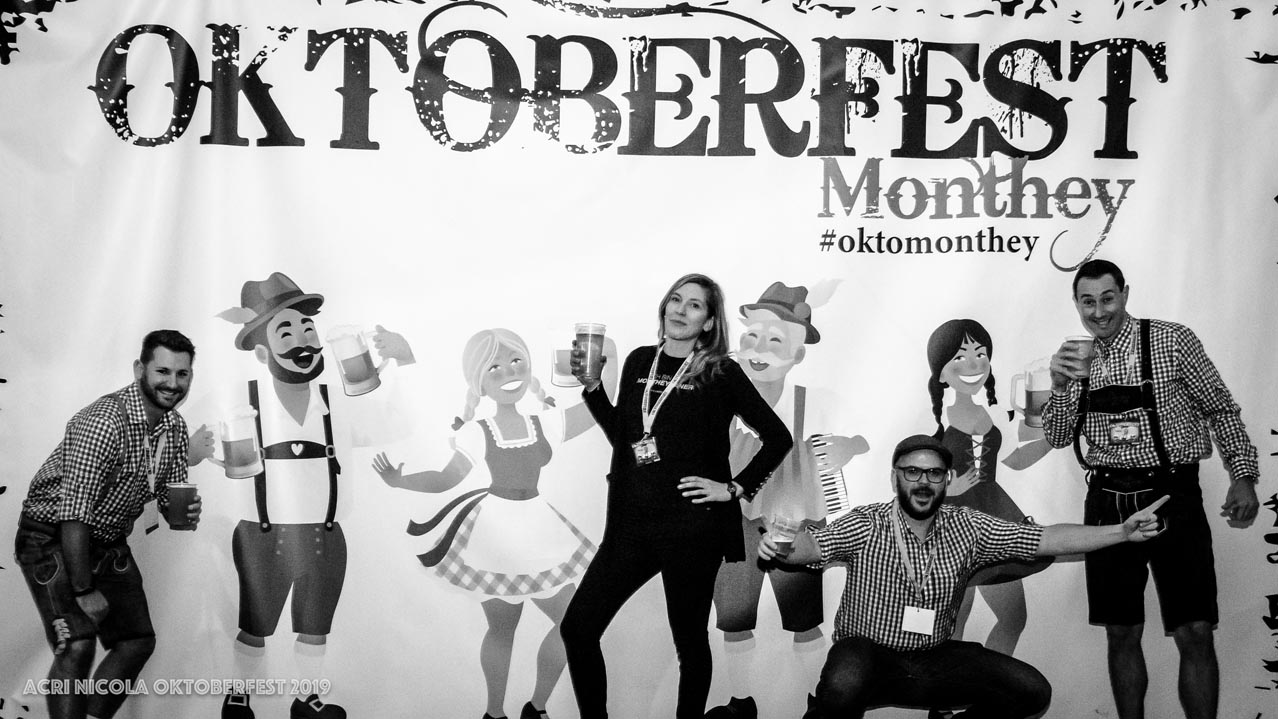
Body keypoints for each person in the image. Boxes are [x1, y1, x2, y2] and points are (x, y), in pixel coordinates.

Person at [760, 434, 1170, 719]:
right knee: (847, 673)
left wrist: (1121, 532)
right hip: (869, 658)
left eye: (934, 473)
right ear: (894, 477)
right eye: (912, 472)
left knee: (1032, 691)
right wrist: (780, 546)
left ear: (947, 480)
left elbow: (1045, 538)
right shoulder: (869, 522)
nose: (923, 482)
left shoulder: (968, 526)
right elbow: (814, 546)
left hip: (933, 659)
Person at [559, 273, 793, 719]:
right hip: (630, 527)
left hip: (692, 529)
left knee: (689, 643)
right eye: (676, 300)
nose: (681, 310)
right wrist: (593, 388)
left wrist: (733, 488)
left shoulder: (720, 372)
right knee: (578, 629)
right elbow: (625, 436)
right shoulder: (639, 360)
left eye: (695, 305)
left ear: (709, 322)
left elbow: (778, 438)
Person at [1041, 258, 1260, 719]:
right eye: (1087, 302)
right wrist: (1059, 386)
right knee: (1121, 631)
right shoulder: (1074, 358)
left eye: (1107, 298)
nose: (1099, 312)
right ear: (1076, 304)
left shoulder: (1172, 339)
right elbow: (1058, 436)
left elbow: (1220, 409)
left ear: (1124, 294)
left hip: (1172, 493)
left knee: (1195, 629)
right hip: (1108, 501)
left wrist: (1242, 476)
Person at [207, 271, 415, 719]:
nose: (303, 341)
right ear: (262, 352)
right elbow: (198, 443)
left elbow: (396, 423)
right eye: (286, 332)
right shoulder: (240, 401)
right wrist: (199, 454)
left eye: (308, 329)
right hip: (263, 535)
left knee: (315, 626)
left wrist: (403, 362)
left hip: (324, 534)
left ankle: (306, 699)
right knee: (255, 624)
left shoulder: (337, 402)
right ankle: (240, 695)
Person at [373, 328, 604, 719]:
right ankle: (494, 712)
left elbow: (595, 410)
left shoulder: (545, 423)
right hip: (496, 536)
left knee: (574, 624)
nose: (508, 372)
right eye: (494, 367)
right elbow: (447, 478)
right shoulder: (477, 432)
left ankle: (537, 706)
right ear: (479, 382)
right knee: (503, 628)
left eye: (516, 361)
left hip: (539, 530)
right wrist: (401, 481)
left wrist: (602, 366)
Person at [15, 330, 202, 719]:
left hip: (107, 540)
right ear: (139, 370)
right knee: (77, 645)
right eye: (163, 371)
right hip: (51, 537)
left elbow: (167, 499)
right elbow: (74, 513)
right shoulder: (104, 421)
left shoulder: (175, 428)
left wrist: (182, 512)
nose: (172, 383)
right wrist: (83, 590)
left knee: (137, 641)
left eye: (182, 374)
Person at [708, 281, 867, 719]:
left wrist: (848, 446)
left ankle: (817, 702)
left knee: (804, 619)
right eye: (752, 337)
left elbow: (859, 437)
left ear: (797, 355)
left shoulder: (812, 401)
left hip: (794, 523)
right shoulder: (719, 400)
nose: (759, 349)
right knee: (734, 618)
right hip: (735, 521)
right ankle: (741, 700)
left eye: (775, 341)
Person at [924, 318, 1050, 661]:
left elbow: (1017, 460)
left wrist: (1051, 437)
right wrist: (946, 488)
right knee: (953, 624)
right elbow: (909, 479)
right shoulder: (932, 419)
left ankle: (992, 685)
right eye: (960, 357)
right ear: (941, 372)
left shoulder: (996, 413)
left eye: (980, 354)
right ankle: (948, 693)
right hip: (950, 529)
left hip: (996, 523)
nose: (973, 364)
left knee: (1013, 618)